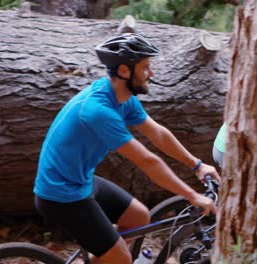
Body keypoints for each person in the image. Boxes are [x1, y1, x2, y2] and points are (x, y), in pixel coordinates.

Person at [33, 33, 220, 264]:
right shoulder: (98, 110)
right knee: (121, 259)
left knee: (139, 218)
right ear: (124, 71)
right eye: (146, 67)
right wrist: (191, 196)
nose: (151, 74)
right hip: (60, 196)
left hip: (81, 182)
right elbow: (147, 161)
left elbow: (158, 134)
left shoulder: (122, 97)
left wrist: (197, 165)